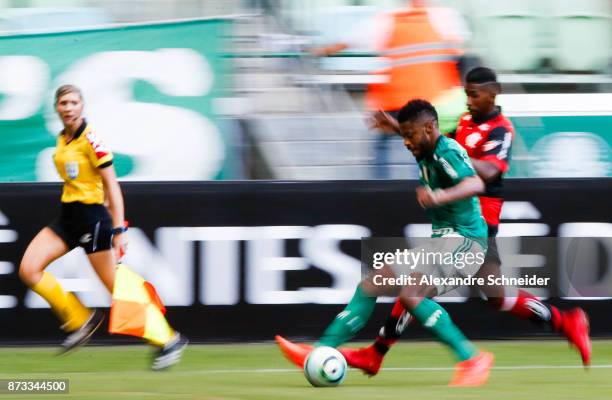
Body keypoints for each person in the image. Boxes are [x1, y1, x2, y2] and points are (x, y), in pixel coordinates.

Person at [336, 67, 591, 376]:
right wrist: (398, 128)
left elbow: (488, 171)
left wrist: (453, 160)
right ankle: (566, 322)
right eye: (466, 93)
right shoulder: (466, 123)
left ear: (493, 93)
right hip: (461, 216)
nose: (468, 100)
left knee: (424, 289)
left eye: (474, 94)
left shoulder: (501, 129)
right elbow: (435, 145)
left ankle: (378, 354)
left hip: (480, 215)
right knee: (483, 294)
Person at [277, 99, 495, 387]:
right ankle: (320, 351)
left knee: (411, 294)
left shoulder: (447, 154)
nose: (406, 142)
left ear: (430, 128)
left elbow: (476, 184)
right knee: (370, 285)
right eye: (403, 135)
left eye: (410, 135)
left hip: (467, 245)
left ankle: (471, 358)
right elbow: (416, 136)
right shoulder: (425, 145)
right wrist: (395, 126)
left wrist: (438, 197)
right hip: (443, 243)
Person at [18, 84, 188, 370]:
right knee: (29, 269)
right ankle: (79, 320)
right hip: (68, 217)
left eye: (74, 102)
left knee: (116, 287)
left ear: (82, 106)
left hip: (93, 220)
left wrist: (119, 230)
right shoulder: (63, 138)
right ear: (57, 108)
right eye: (64, 103)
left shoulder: (92, 139)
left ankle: (167, 338)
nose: (69, 107)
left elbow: (112, 185)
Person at [310, 0, 468, 178]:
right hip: (433, 101)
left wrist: (322, 50)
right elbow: (460, 50)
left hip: (397, 100)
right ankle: (416, 188)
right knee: (421, 148)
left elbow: (350, 40)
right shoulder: (443, 18)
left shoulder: (388, 20)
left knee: (383, 144)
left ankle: (380, 189)